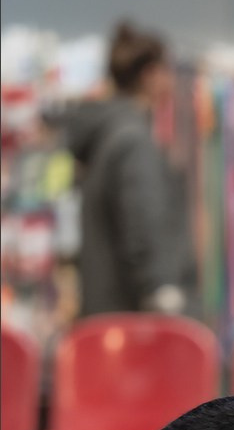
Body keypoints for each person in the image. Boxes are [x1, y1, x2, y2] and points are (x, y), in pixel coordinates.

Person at [55, 21, 198, 317]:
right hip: (132, 313)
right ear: (150, 75)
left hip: (105, 305)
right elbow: (143, 220)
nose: (172, 81)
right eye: (168, 70)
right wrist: (161, 289)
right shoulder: (133, 141)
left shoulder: (106, 133)